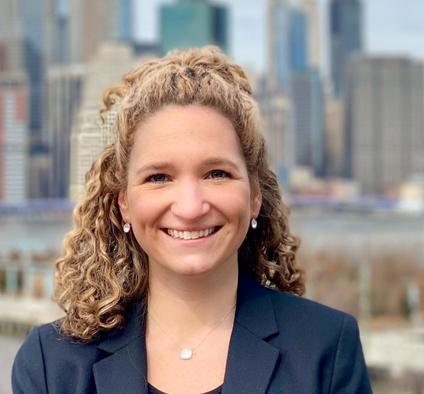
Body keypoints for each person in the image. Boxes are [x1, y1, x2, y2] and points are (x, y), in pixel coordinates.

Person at [12, 46, 372, 394]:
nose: (190, 206)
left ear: (255, 198)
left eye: (216, 173)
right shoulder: (52, 363)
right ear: (124, 205)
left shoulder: (326, 348)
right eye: (158, 178)